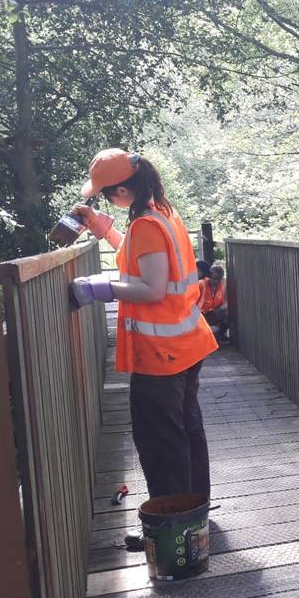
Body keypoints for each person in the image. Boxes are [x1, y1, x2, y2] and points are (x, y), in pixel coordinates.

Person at [67, 149, 217, 538]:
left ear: (121, 191)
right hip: (185, 343)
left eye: (103, 196)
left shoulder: (147, 225)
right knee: (186, 428)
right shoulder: (162, 212)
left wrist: (99, 289)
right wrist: (105, 229)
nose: (102, 201)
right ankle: (194, 514)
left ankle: (171, 524)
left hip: (161, 353)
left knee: (160, 440)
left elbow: (151, 287)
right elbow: (141, 262)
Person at [201, 264, 229, 343]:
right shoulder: (201, 284)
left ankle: (220, 335)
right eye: (214, 278)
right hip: (202, 314)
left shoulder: (224, 284)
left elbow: (228, 302)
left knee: (228, 314)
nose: (216, 281)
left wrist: (219, 309)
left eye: (218, 279)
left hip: (216, 312)